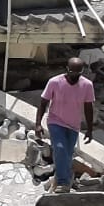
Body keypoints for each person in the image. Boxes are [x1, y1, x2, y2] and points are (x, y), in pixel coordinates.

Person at [34, 57, 95, 193]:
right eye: (72, 72)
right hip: (55, 121)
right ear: (67, 70)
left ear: (82, 71)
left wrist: (90, 130)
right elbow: (43, 103)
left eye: (78, 73)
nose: (75, 76)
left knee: (67, 154)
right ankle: (63, 182)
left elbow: (88, 108)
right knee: (60, 148)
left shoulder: (87, 85)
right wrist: (38, 124)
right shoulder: (54, 82)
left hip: (73, 125)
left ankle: (64, 176)